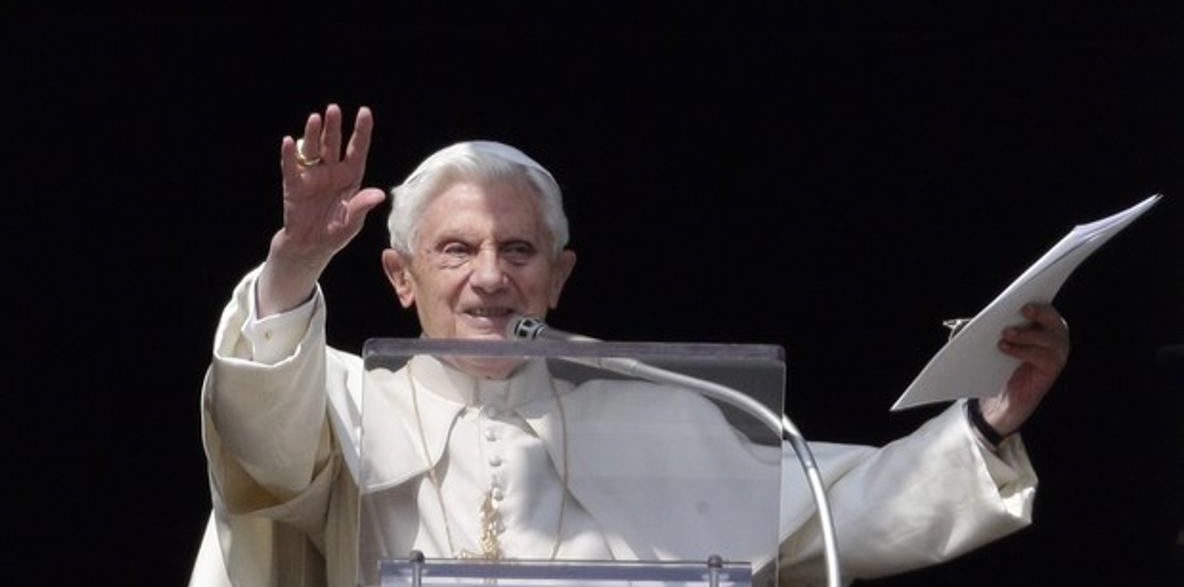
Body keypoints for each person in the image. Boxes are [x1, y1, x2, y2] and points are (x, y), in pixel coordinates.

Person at [190, 104, 1071, 587]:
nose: (490, 276)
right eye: (455, 249)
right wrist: (296, 268)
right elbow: (258, 441)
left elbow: (829, 505)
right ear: (399, 275)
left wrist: (989, 423)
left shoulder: (651, 411)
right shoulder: (343, 399)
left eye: (518, 250)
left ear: (559, 277)